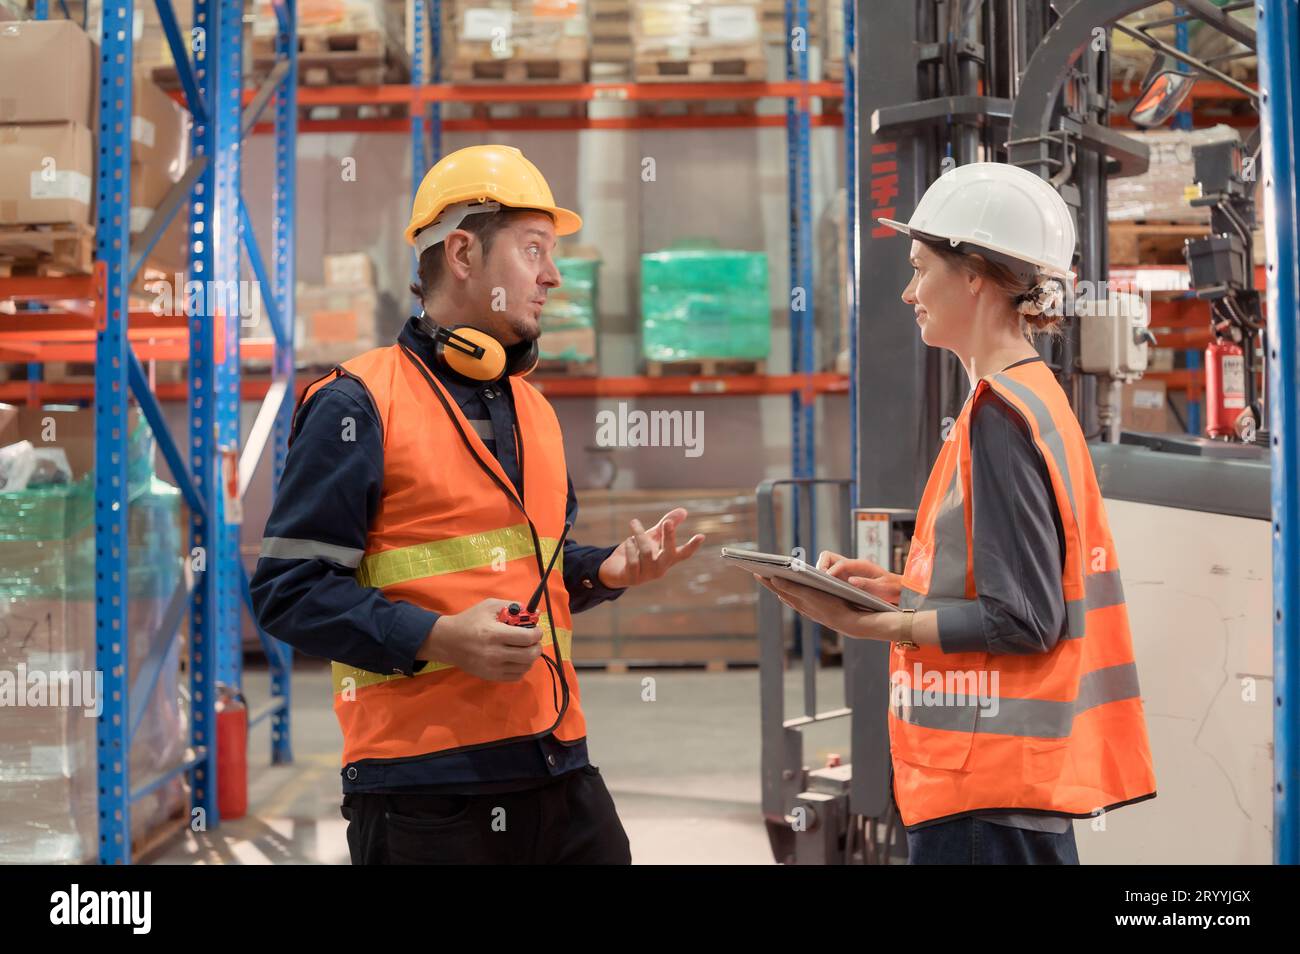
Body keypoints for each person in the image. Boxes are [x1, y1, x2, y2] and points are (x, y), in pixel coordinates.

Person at [251, 144, 705, 865]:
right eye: (534, 251)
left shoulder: (534, 410)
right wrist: (437, 637)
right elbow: (287, 593)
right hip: (427, 793)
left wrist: (605, 571)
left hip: (557, 767)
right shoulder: (358, 403)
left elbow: (527, 569)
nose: (553, 275)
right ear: (462, 253)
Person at [758, 162, 1157, 865]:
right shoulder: (1028, 396)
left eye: (919, 268)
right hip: (1000, 791)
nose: (909, 292)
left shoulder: (1000, 417)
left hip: (984, 795)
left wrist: (870, 623)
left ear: (974, 273)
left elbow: (1025, 618)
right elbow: (1006, 590)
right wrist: (891, 588)